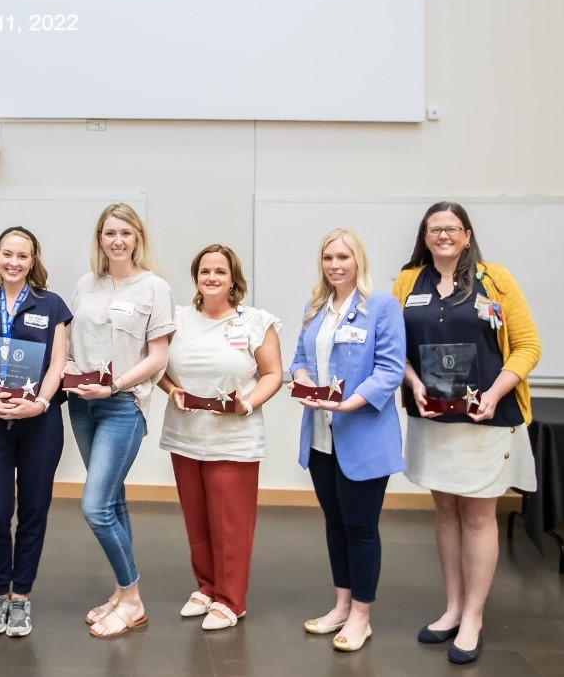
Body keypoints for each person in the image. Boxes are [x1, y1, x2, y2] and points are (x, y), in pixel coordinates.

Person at [392, 202, 540, 665]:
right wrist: (413, 384)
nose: (443, 235)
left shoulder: (494, 279)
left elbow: (528, 345)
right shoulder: (407, 281)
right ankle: (453, 607)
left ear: (467, 233)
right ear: (425, 234)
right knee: (446, 511)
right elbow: (394, 348)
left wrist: (495, 394)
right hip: (432, 416)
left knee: (477, 515)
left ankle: (473, 616)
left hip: (485, 416)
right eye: (435, 228)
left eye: (452, 228)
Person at [157, 244, 283, 631]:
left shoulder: (255, 322)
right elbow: (156, 362)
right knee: (197, 519)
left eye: (220, 272)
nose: (212, 278)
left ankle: (231, 599)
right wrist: (169, 389)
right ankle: (207, 587)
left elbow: (273, 373)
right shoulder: (176, 318)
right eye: (205, 271)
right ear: (196, 276)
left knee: (230, 522)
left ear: (233, 279)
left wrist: (247, 404)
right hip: (186, 434)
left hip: (234, 437)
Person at [290, 228, 404, 653]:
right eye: (327, 258)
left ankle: (361, 615)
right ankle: (340, 605)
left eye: (343, 257)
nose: (335, 265)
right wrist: (301, 379)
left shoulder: (381, 306)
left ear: (359, 260)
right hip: (321, 436)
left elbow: (390, 371)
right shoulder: (315, 306)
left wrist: (348, 404)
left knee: (360, 527)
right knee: (334, 523)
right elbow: (300, 357)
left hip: (363, 434)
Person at [66, 203, 174, 639]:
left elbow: (159, 356)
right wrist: (71, 377)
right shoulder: (85, 284)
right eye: (110, 233)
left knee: (94, 506)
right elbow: (71, 344)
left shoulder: (155, 288)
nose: (117, 240)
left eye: (125, 233)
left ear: (137, 238)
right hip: (81, 405)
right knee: (113, 501)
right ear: (100, 239)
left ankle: (132, 599)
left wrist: (113, 387)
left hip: (122, 406)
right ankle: (120, 592)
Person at [0, 227, 72, 638]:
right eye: (7, 254)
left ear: (33, 260)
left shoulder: (52, 305)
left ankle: (20, 597)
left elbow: (59, 362)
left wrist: (40, 403)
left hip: (40, 421)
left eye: (22, 256)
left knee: (34, 510)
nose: (13, 262)